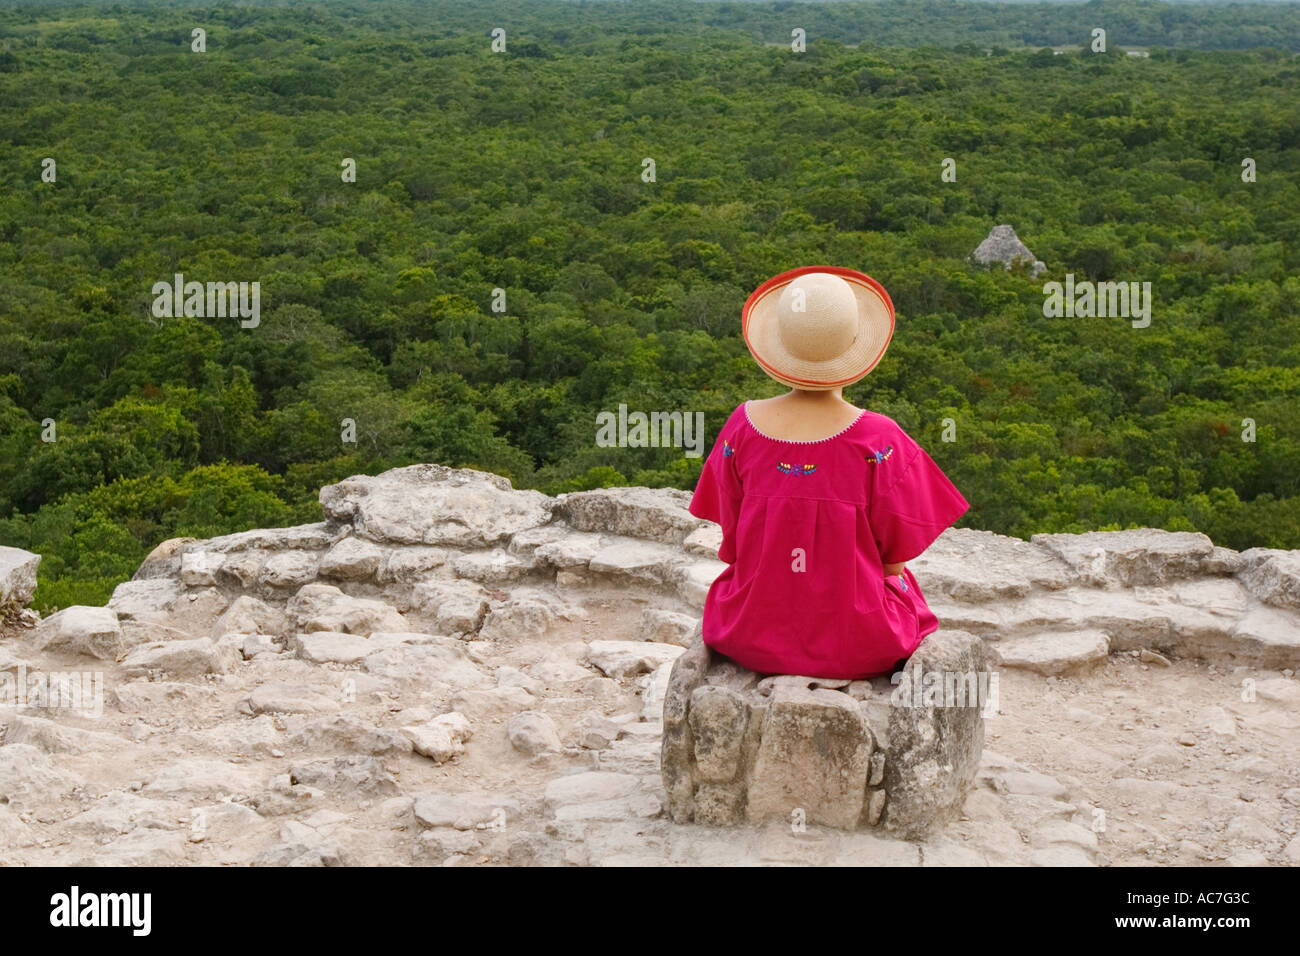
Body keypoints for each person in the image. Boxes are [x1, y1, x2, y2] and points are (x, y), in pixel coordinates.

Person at [688, 267, 970, 680]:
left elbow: (732, 545)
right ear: (856, 345)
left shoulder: (741, 426)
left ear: (779, 344)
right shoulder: (880, 440)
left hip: (748, 632)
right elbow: (893, 565)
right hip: (858, 645)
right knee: (904, 593)